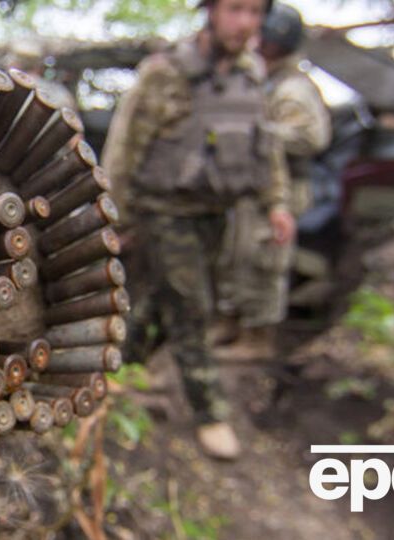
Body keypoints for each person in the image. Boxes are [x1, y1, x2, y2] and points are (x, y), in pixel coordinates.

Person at [102, 0, 294, 460]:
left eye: (254, 12)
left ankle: (116, 370)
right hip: (165, 213)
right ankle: (211, 414)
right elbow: (124, 150)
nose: (246, 22)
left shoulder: (251, 74)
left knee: (161, 302)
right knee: (193, 309)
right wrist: (116, 218)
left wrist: (277, 203)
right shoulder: (166, 73)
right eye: (235, 9)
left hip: (216, 213)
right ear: (210, 11)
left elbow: (264, 148)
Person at [213, 3, 331, 360]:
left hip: (283, 189)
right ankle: (232, 321)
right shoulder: (261, 78)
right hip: (252, 187)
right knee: (237, 255)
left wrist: (258, 134)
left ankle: (258, 337)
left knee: (265, 259)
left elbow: (313, 138)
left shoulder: (293, 87)